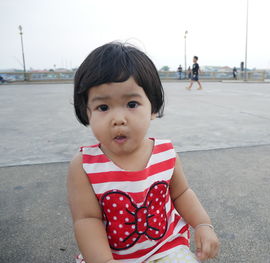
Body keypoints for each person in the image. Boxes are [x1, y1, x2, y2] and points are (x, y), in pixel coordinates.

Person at [68, 42, 219, 263]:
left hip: (165, 247)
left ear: (153, 108)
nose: (118, 119)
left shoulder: (165, 153)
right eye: (103, 107)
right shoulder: (84, 166)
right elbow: (87, 219)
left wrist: (203, 224)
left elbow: (181, 193)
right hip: (112, 257)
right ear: (87, 111)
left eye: (131, 103)